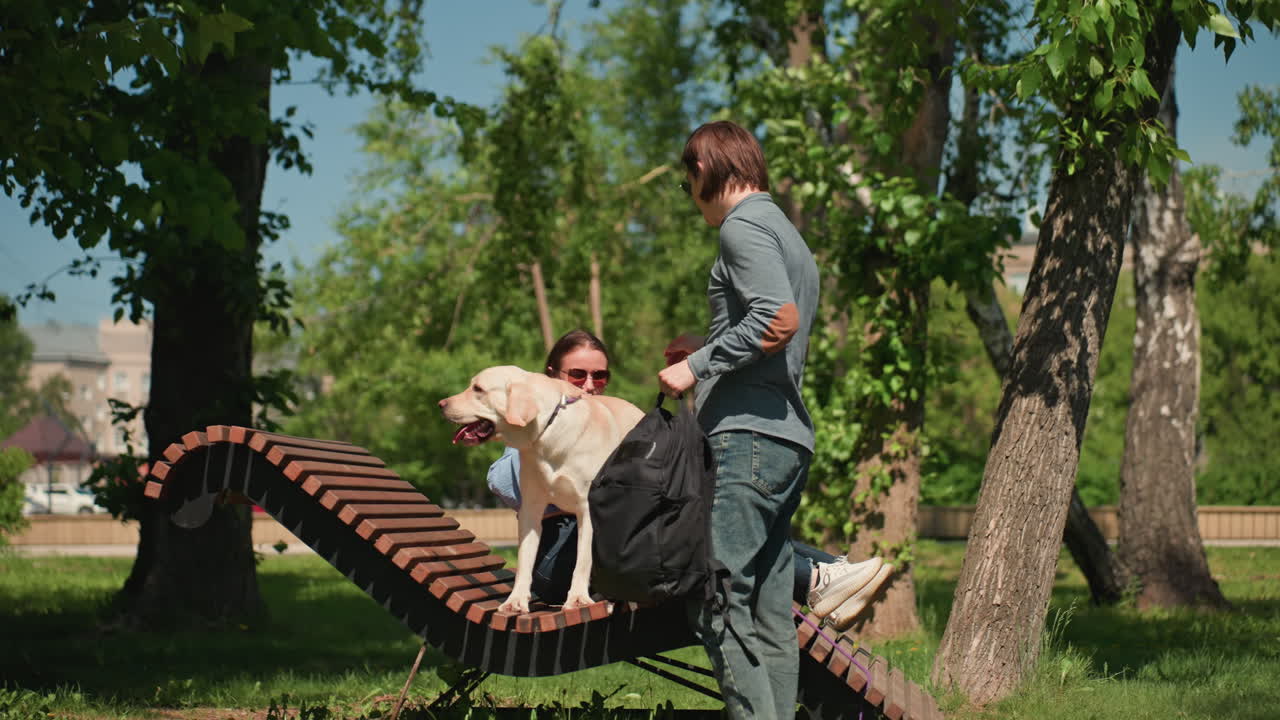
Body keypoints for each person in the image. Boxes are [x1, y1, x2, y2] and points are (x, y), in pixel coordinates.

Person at [489, 329, 889, 622]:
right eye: (577, 375)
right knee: (688, 526)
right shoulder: (530, 421)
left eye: (600, 376)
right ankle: (816, 577)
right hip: (555, 561)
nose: (590, 386)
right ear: (550, 375)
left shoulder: (598, 421)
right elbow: (502, 481)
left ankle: (824, 572)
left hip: (604, 547)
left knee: (698, 512)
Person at [658, 120, 836, 719]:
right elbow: (773, 325)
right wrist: (704, 350)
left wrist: (697, 367)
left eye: (688, 185)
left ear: (705, 169)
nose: (692, 199)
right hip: (784, 439)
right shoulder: (785, 230)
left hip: (746, 443)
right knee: (765, 611)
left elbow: (776, 319)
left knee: (714, 600)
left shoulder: (742, 226)